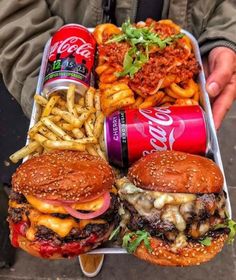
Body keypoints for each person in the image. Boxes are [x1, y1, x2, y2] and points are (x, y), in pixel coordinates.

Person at [0, 0, 235, 277]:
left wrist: (225, 37)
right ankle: (87, 248)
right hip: (51, 42)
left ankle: (88, 243)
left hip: (181, 43)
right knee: (70, 205)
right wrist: (38, 72)